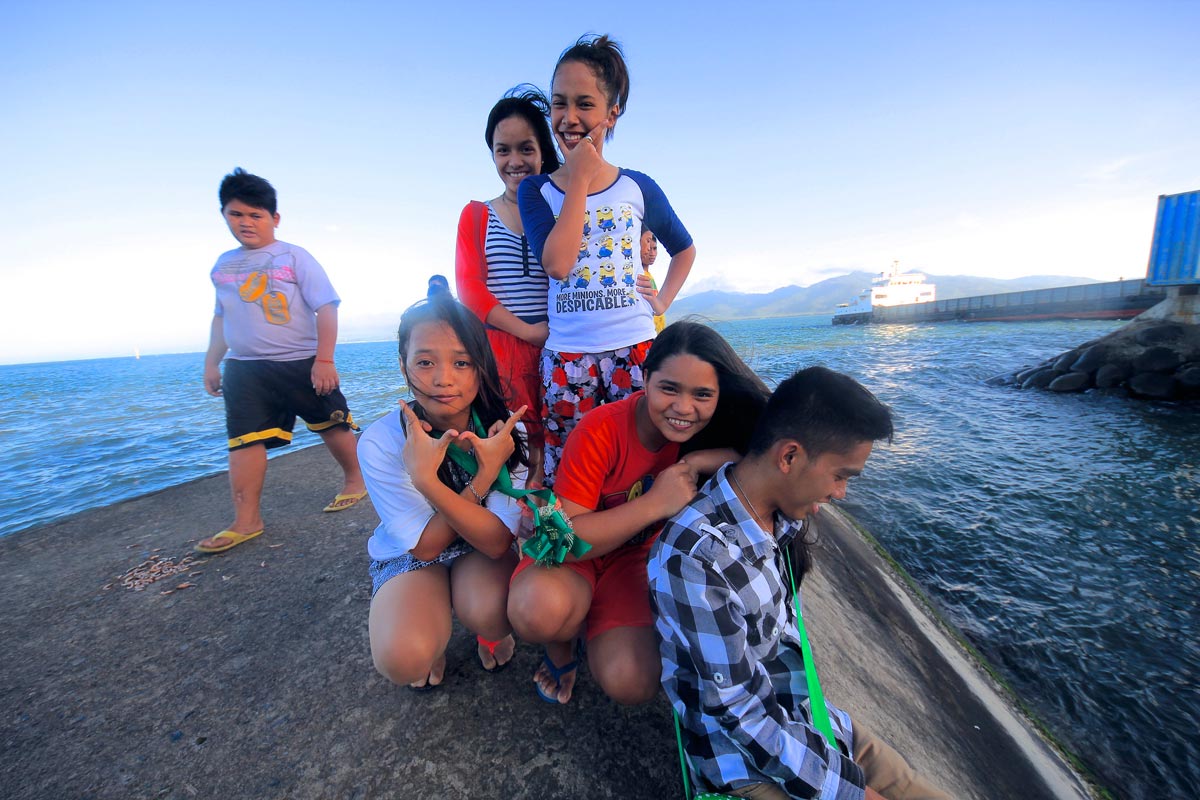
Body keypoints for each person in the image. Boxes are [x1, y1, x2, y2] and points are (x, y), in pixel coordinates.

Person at [648, 367, 950, 800]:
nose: (842, 493)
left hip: (812, 724)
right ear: (789, 457)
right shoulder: (696, 559)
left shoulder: (777, 518)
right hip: (746, 764)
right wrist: (854, 795)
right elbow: (741, 714)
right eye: (841, 475)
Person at [507, 321, 770, 706]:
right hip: (569, 556)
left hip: (634, 561)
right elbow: (567, 539)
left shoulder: (708, 432)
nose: (684, 408)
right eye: (669, 388)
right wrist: (655, 503)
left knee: (633, 682)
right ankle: (561, 646)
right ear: (644, 378)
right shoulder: (602, 429)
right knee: (537, 611)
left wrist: (695, 460)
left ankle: (590, 621)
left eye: (702, 395)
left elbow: (753, 459)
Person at [518, 34, 697, 482]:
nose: (569, 118)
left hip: (635, 354)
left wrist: (662, 303)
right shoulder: (536, 190)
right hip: (568, 358)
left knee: (639, 467)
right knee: (574, 472)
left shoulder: (638, 186)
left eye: (585, 104)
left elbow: (685, 249)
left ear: (611, 113)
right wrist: (577, 178)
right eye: (559, 104)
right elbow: (557, 265)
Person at [360, 294, 529, 688]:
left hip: (478, 547)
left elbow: (494, 543)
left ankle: (487, 629)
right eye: (424, 362)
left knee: (497, 610)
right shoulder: (381, 441)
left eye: (461, 362)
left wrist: (464, 477)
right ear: (403, 366)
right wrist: (464, 480)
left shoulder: (503, 433)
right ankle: (430, 627)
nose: (442, 378)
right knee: (404, 658)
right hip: (415, 552)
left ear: (480, 367)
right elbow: (425, 547)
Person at [198, 168, 366, 554]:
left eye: (256, 215)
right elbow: (220, 317)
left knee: (332, 424)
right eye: (236, 215)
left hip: (301, 361)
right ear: (224, 215)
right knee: (243, 440)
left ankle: (356, 481)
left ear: (274, 218)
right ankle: (246, 520)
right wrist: (211, 362)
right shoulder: (222, 266)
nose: (246, 223)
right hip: (243, 368)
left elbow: (326, 307)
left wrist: (325, 359)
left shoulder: (293, 256)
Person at [456, 86, 561, 487]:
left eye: (526, 149)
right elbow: (470, 290)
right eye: (503, 151)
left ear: (541, 151)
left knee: (555, 440)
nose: (514, 161)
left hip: (558, 345)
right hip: (499, 351)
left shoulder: (561, 211)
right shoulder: (477, 215)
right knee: (513, 452)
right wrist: (529, 332)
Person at [639, 228, 665, 333]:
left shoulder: (649, 275)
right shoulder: (639, 276)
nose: (652, 253)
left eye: (655, 248)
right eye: (649, 249)